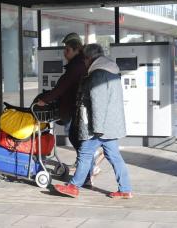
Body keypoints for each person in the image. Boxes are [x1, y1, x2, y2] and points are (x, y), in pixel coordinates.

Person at [53, 43, 133, 199]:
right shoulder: (112, 70)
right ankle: (125, 189)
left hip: (98, 127)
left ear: (88, 58)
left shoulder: (98, 75)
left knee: (84, 154)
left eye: (84, 59)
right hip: (110, 124)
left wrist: (97, 129)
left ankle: (74, 186)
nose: (84, 62)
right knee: (114, 156)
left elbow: (98, 104)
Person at [37, 33, 104, 184]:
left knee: (79, 143)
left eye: (67, 49)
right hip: (74, 109)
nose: (64, 53)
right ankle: (88, 172)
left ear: (76, 50)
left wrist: (44, 100)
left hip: (73, 110)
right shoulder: (78, 64)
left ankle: (87, 173)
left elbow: (62, 87)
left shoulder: (76, 66)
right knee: (80, 143)